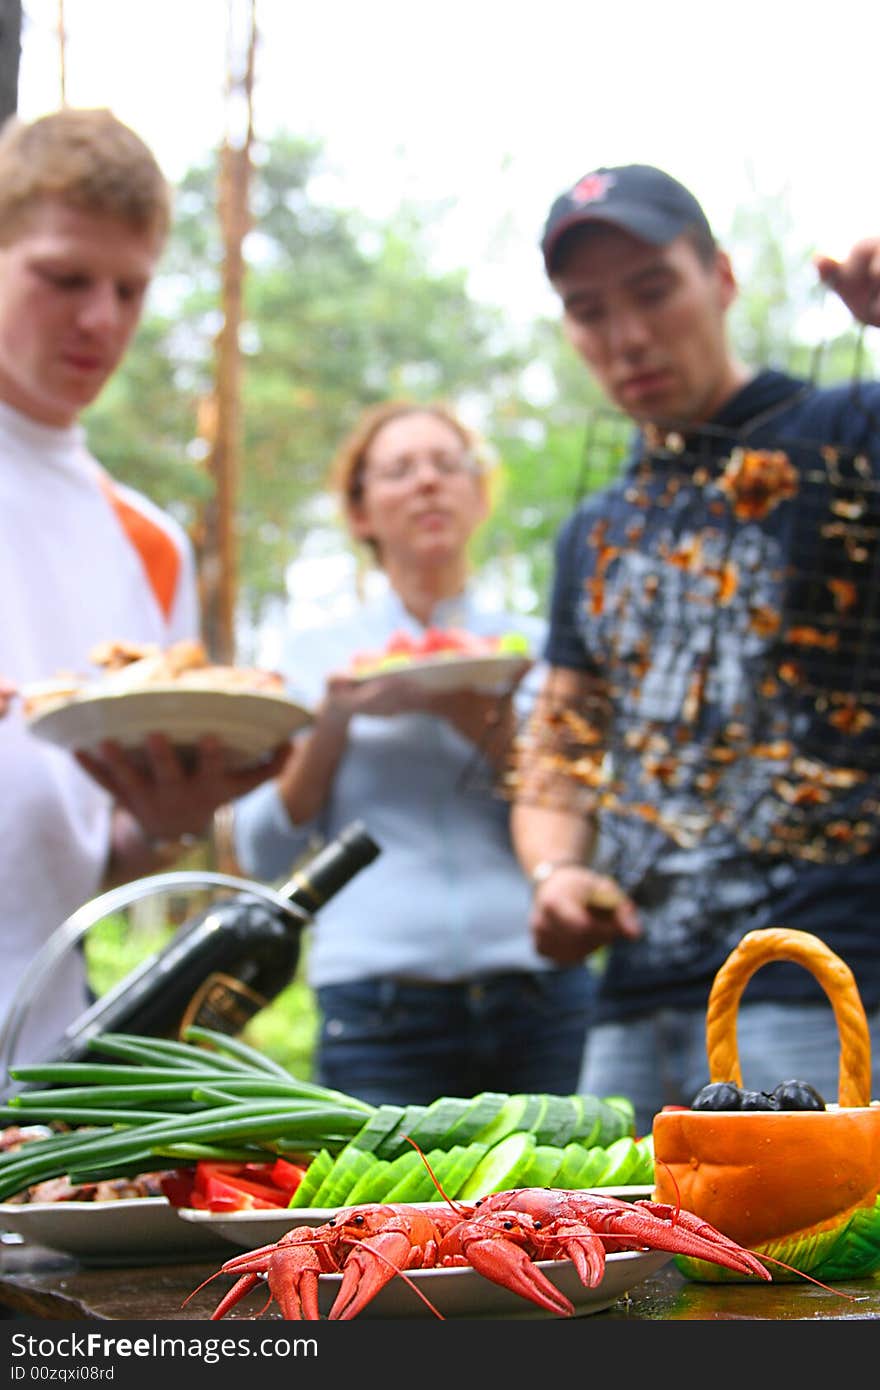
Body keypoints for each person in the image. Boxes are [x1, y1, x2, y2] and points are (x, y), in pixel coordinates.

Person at [510, 162, 880, 1136]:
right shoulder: (594, 529)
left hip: (826, 976)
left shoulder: (850, 432)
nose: (625, 336)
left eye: (652, 289)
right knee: (628, 1282)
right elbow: (560, 743)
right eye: (587, 310)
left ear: (718, 276)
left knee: (816, 1282)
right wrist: (554, 874)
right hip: (635, 998)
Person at [0, 108, 284, 1064]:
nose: (100, 320)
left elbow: (88, 859)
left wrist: (162, 825)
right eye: (64, 278)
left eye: (129, 289)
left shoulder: (150, 545)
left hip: (33, 1064)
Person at [234, 399, 598, 1105]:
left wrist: (482, 723)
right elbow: (262, 849)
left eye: (446, 465)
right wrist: (332, 722)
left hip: (540, 988)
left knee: (569, 1211)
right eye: (399, 470)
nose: (427, 482)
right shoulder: (315, 656)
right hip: (375, 1002)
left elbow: (587, 822)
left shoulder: (540, 654)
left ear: (479, 494)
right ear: (361, 512)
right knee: (392, 1217)